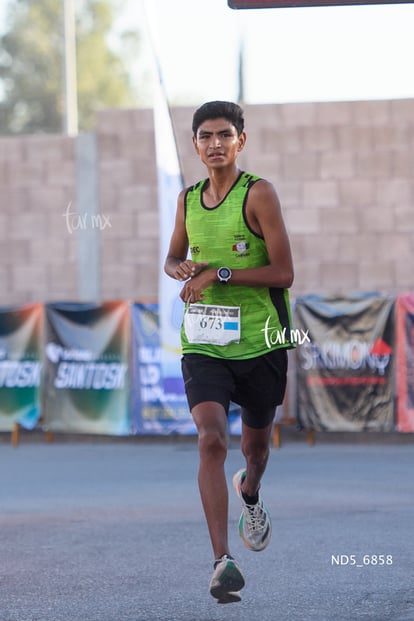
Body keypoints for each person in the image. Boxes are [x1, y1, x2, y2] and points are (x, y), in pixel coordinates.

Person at [164, 100, 294, 604]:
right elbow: (174, 255)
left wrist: (217, 273)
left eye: (224, 135)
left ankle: (251, 492)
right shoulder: (187, 200)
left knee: (255, 451)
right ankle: (222, 562)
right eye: (205, 136)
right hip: (205, 342)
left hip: (260, 340)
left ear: (242, 140)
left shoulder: (258, 194)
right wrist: (178, 268)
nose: (214, 144)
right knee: (211, 439)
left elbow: (284, 273)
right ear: (195, 144)